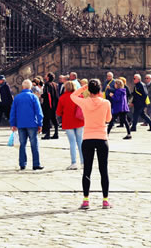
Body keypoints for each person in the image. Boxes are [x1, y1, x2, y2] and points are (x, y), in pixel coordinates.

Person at [70, 80, 113, 209]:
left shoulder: (84, 102)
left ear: (89, 90)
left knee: (87, 171)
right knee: (103, 170)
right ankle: (105, 200)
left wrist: (83, 88)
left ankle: (86, 200)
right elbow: (108, 119)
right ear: (100, 90)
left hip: (88, 138)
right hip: (101, 138)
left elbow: (73, 96)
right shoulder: (106, 103)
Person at [10, 79, 44, 171]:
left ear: (22, 87)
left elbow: (13, 112)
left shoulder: (17, 98)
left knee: (22, 144)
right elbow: (39, 112)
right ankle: (36, 164)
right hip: (32, 123)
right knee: (34, 144)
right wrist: (40, 123)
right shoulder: (33, 97)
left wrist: (13, 124)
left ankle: (22, 163)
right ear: (30, 87)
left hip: (21, 124)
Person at [56, 81, 84, 169]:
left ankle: (74, 162)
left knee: (72, 142)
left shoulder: (63, 97)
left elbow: (58, 112)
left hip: (68, 121)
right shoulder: (79, 96)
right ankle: (83, 162)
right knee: (80, 142)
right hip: (79, 121)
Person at [41, 73, 60, 140]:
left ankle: (48, 134)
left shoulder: (47, 84)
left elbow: (46, 94)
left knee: (47, 119)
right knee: (54, 118)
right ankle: (56, 133)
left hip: (48, 104)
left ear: (48, 77)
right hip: (54, 104)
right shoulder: (55, 84)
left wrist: (41, 95)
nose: (45, 76)